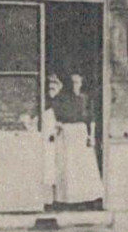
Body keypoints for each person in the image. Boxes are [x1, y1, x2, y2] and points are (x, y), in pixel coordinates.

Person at [43, 71, 104, 209]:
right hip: (67, 135)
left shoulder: (85, 99)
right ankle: (67, 199)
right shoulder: (63, 99)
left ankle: (86, 198)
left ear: (82, 83)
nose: (75, 85)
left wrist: (91, 135)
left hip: (81, 134)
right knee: (67, 167)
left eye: (77, 82)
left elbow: (91, 118)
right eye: (72, 83)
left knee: (83, 167)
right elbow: (54, 114)